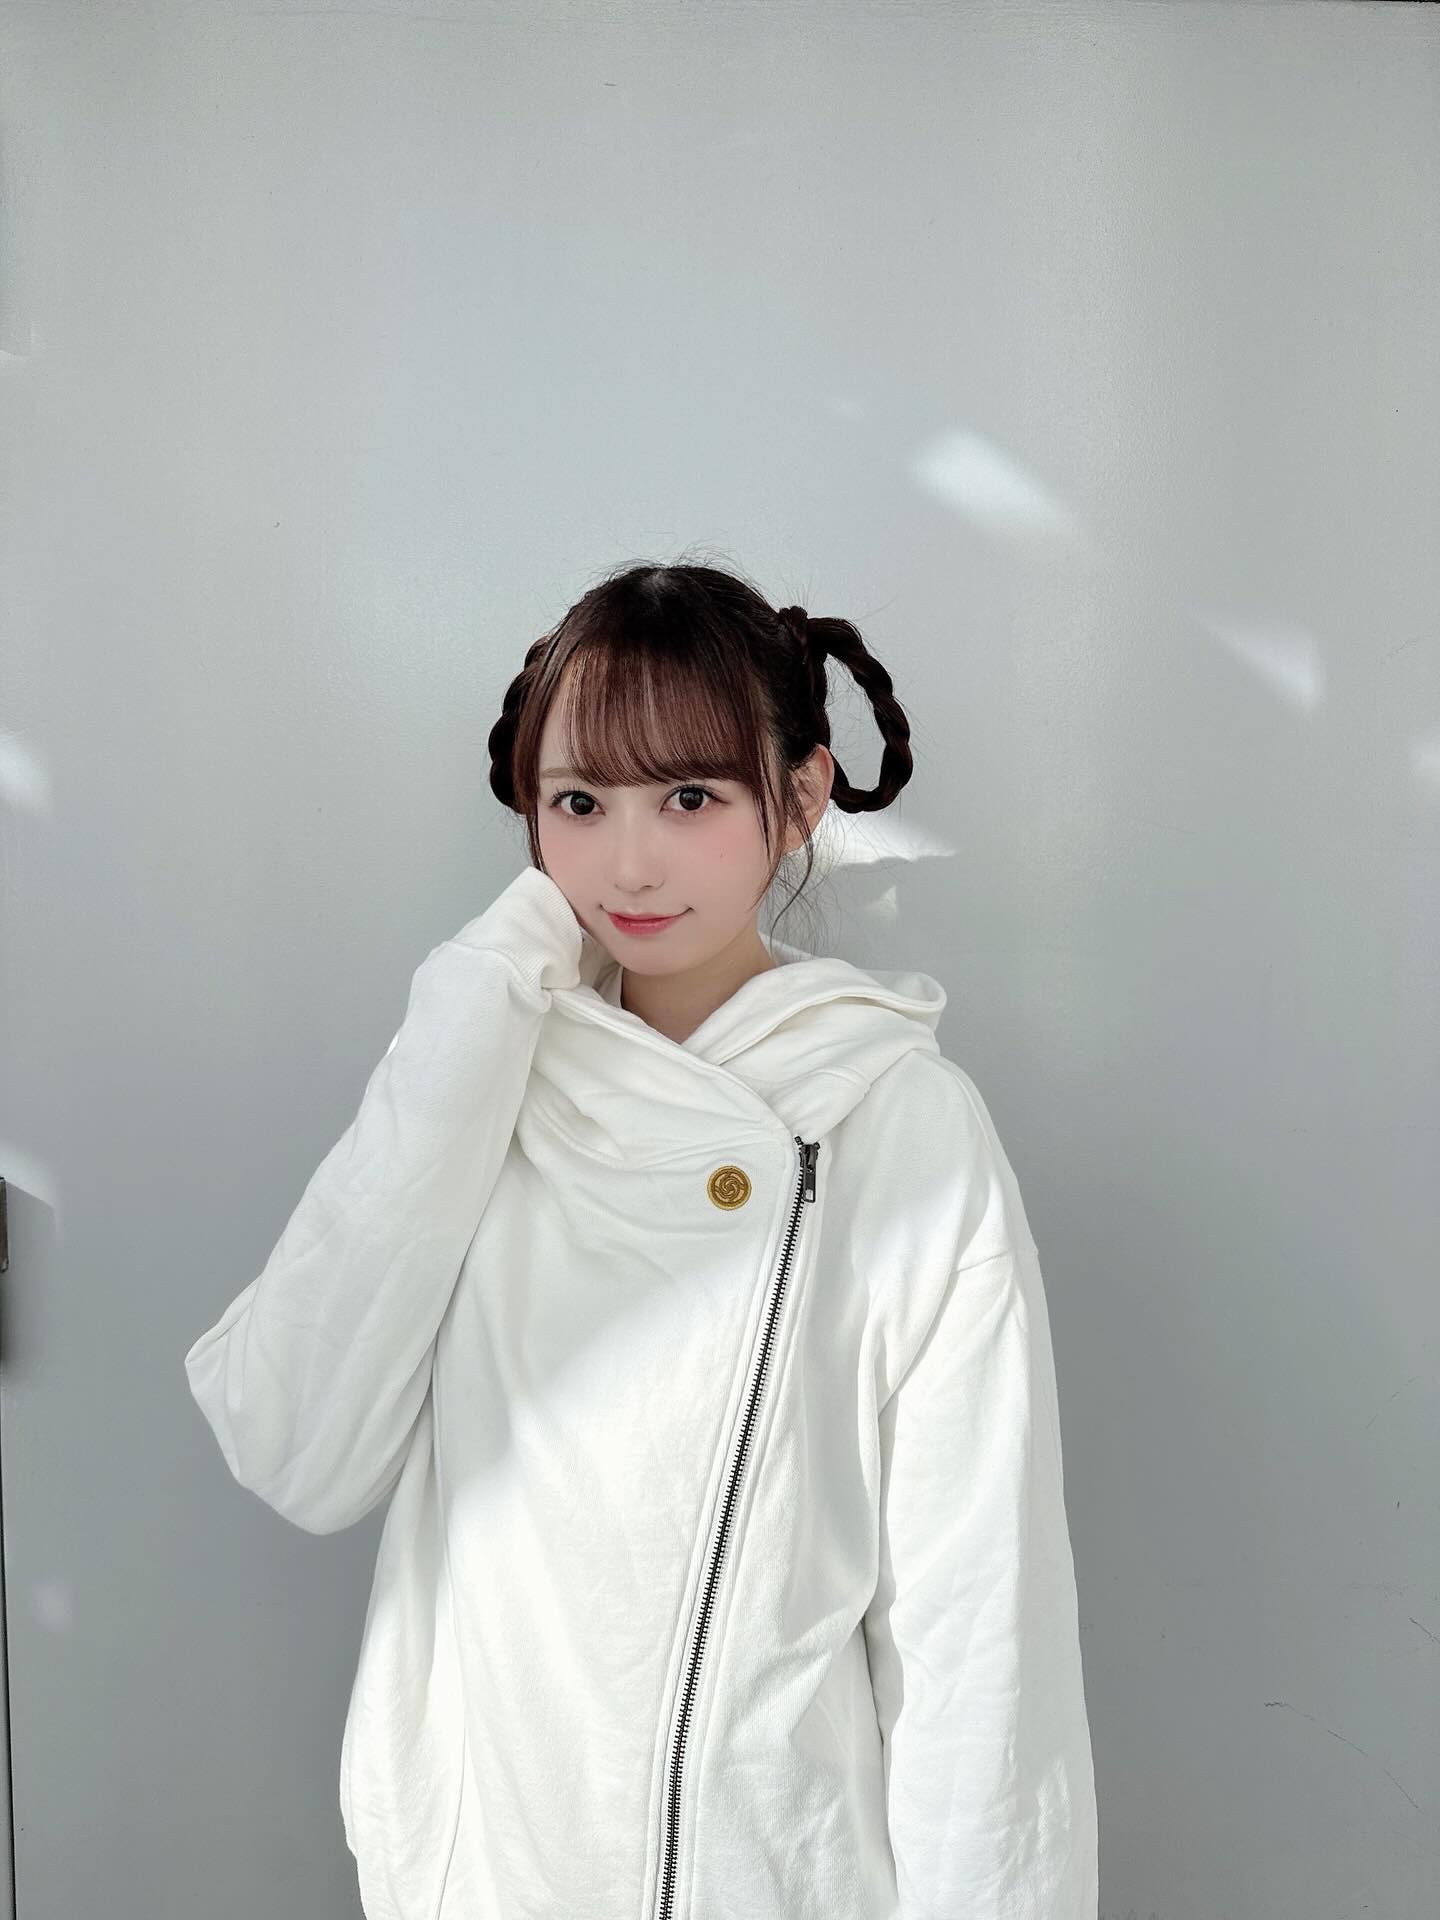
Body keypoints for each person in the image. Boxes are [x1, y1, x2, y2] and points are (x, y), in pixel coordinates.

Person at [184, 559, 1099, 1919]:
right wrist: (477, 999)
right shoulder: (484, 1069)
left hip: (767, 1874)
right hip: (486, 1875)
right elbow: (296, 1446)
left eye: (689, 798)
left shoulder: (900, 1125)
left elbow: (977, 1631)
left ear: (801, 798)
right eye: (578, 802)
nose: (627, 863)